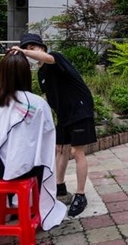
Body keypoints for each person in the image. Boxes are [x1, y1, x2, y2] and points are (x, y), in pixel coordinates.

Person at [0, 51, 66, 230]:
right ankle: (28, 206)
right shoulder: (37, 104)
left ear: (1, 74)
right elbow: (48, 139)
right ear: (26, 74)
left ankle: (11, 205)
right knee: (39, 161)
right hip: (28, 170)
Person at [11, 34, 96, 218]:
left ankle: (81, 195)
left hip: (79, 110)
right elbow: (49, 98)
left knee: (76, 152)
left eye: (33, 47)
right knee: (60, 149)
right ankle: (59, 185)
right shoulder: (41, 73)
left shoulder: (55, 58)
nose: (31, 51)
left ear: (42, 48)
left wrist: (23, 51)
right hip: (64, 115)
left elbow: (48, 59)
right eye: (27, 48)